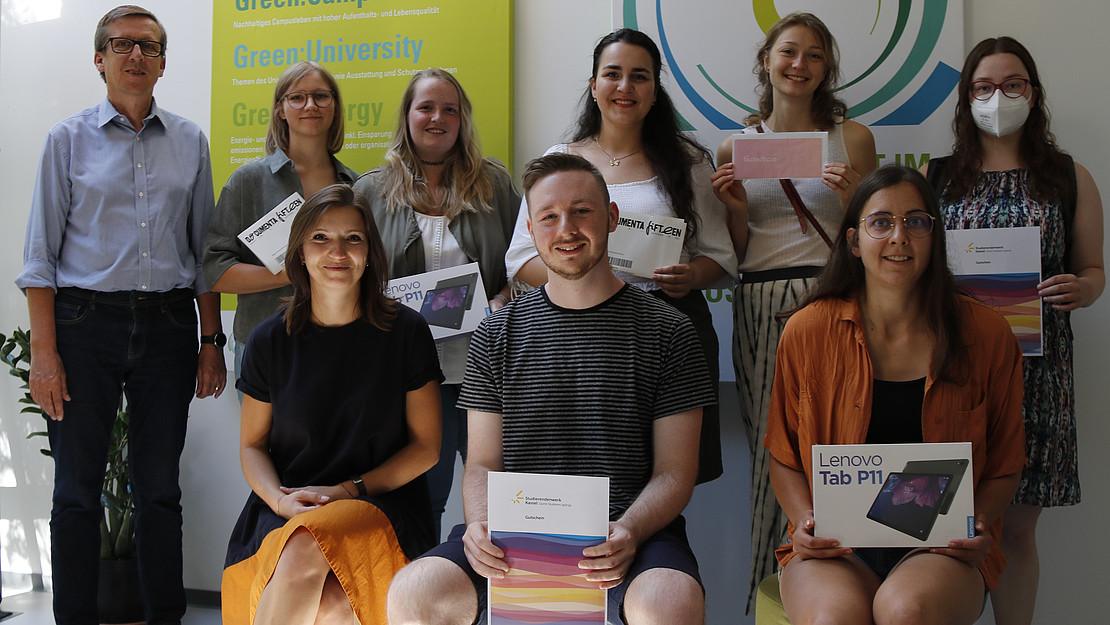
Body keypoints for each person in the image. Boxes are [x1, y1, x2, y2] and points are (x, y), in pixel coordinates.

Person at [387, 153, 716, 625]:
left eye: (582, 211)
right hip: (512, 535)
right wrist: (480, 524)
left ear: (612, 217)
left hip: (629, 533)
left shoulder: (669, 331)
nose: (566, 229)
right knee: (414, 593)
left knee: (669, 602)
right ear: (531, 230)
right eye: (548, 216)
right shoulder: (496, 334)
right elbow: (481, 463)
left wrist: (628, 531)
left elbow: (674, 474)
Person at [14, 6, 225, 623]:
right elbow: (38, 261)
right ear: (99, 57)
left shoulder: (189, 141)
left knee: (159, 491)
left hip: (166, 326)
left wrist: (210, 339)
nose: (136, 55)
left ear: (164, 62)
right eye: (122, 44)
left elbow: (203, 253)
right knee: (76, 494)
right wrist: (45, 356)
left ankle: (165, 616)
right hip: (84, 326)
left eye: (149, 46)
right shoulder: (66, 140)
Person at [765, 165, 1025, 625]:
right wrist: (805, 519)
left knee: (906, 611)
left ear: (935, 235)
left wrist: (978, 521)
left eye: (916, 221)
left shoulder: (987, 333)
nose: (899, 237)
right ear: (853, 241)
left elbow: (1005, 464)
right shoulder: (807, 331)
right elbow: (783, 456)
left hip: (941, 548)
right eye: (881, 222)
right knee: (832, 618)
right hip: (836, 548)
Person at [921, 37, 1104, 625]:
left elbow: (1093, 268)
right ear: (965, 96)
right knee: (949, 523)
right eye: (983, 86)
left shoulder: (1069, 177)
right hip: (956, 368)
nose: (997, 96)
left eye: (1013, 83)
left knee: (1018, 531)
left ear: (1034, 92)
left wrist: (1085, 288)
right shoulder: (939, 176)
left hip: (1040, 371)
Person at [504, 28, 736, 486]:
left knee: (669, 471)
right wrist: (577, 278)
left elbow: (721, 259)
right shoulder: (562, 160)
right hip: (578, 333)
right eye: (612, 74)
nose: (625, 87)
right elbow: (520, 260)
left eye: (639, 77)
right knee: (586, 466)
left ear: (655, 91)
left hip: (669, 331)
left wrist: (688, 277)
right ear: (593, 86)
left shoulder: (688, 161)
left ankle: (657, 550)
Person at [708, 11, 877, 609]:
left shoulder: (852, 138)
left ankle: (840, 581)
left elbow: (870, 237)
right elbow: (739, 248)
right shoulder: (734, 145)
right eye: (787, 52)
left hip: (832, 300)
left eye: (813, 55)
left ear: (826, 68)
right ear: (766, 62)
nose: (798, 65)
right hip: (759, 301)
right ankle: (771, 590)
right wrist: (731, 208)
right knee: (769, 454)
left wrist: (850, 197)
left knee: (834, 442)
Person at [221, 184, 443, 625]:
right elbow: (252, 446)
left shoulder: (407, 331)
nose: (337, 251)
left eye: (353, 238)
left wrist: (348, 491)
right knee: (330, 602)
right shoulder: (268, 339)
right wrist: (280, 502)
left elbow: (426, 448)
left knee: (309, 545)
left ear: (370, 253)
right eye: (320, 238)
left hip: (378, 502)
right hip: (290, 502)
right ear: (300, 253)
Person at [353, 68, 520, 538]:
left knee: (498, 497)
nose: (437, 118)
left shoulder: (495, 185)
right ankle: (424, 597)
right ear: (407, 116)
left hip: (486, 368)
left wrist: (506, 297)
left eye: (450, 109)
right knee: (423, 496)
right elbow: (351, 277)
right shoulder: (370, 191)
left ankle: (493, 603)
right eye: (426, 107)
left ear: (463, 119)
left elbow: (526, 261)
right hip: (410, 373)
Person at [204, 61, 358, 385]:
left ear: (335, 107)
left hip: (341, 343)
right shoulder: (249, 181)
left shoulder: (357, 187)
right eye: (297, 97)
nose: (311, 105)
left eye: (321, 96)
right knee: (259, 439)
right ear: (280, 110)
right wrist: (288, 273)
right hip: (265, 344)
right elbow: (214, 271)